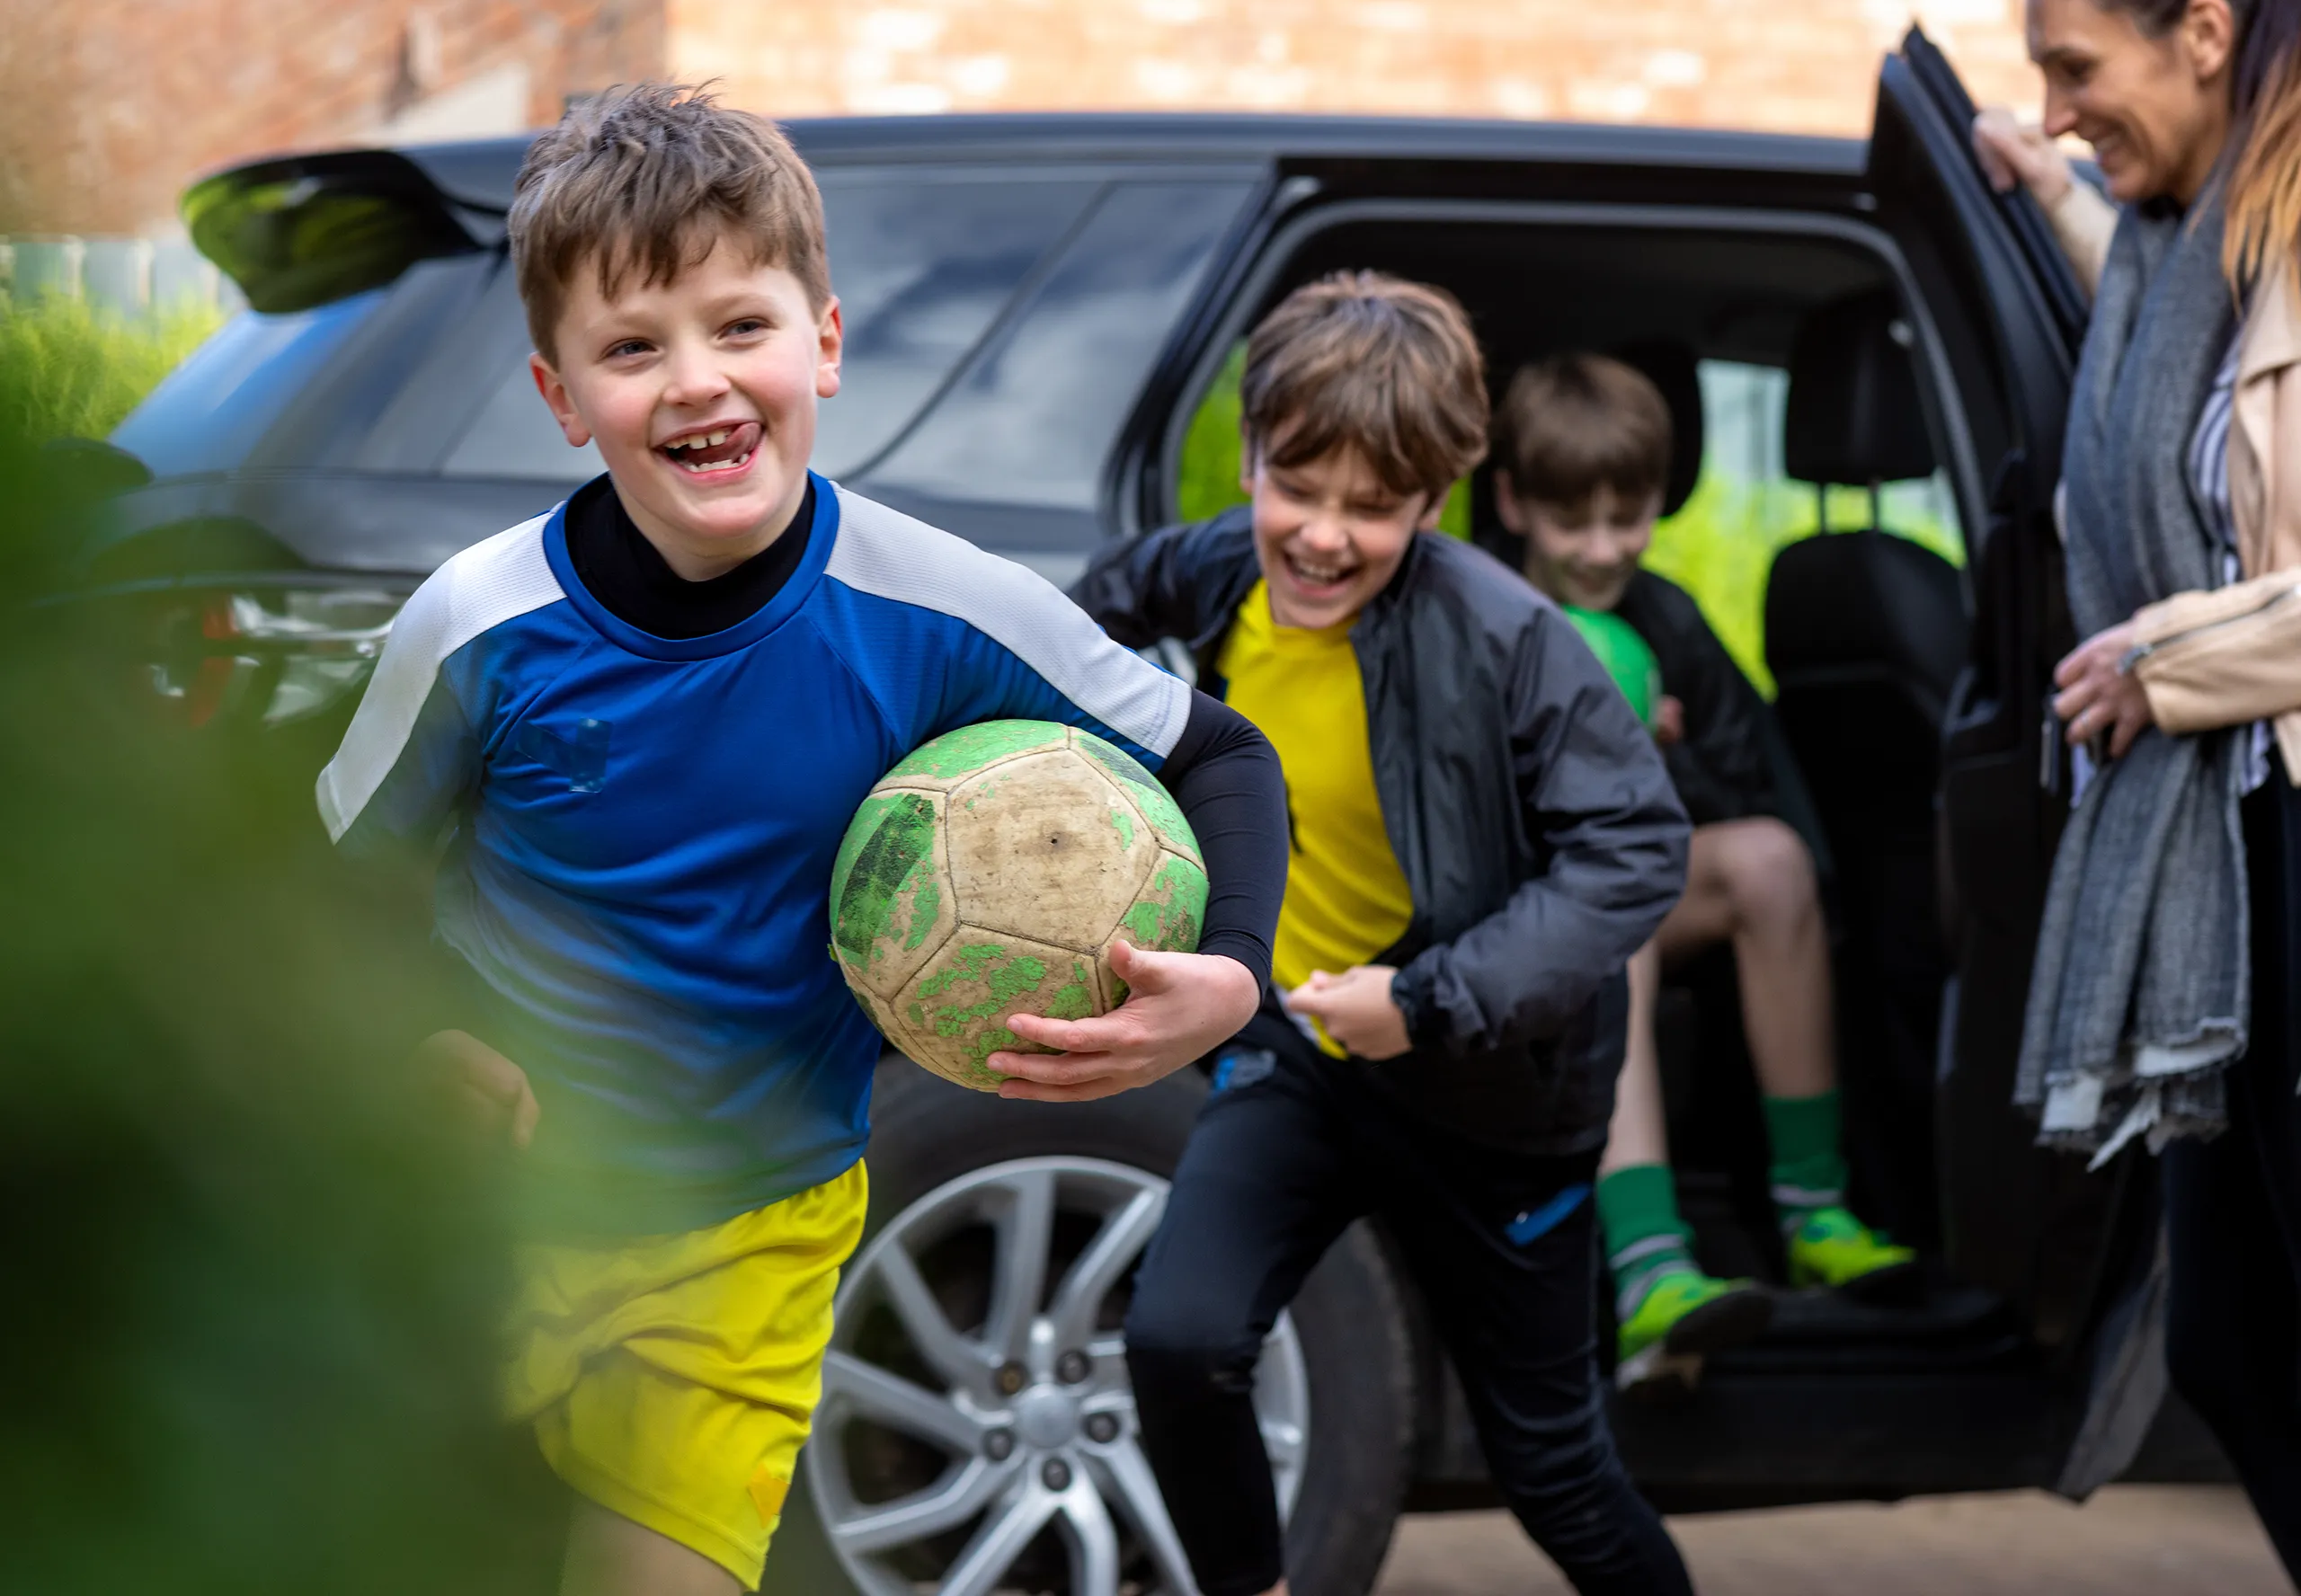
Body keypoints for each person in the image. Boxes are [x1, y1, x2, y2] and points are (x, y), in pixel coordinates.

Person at [316, 84, 1291, 1596]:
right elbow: (314, 890)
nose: (697, 381)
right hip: (467, 1219)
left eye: (740, 326)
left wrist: (1232, 974)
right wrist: (421, 1032)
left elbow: (1218, 750)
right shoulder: (475, 626)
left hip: (750, 1237)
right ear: (562, 395)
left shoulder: (938, 605)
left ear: (824, 340)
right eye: (633, 348)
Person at [1074, 271, 1695, 1596]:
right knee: (1179, 1342)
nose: (1323, 537)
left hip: (1494, 1094)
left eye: (1377, 509)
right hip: (1303, 1054)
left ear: (1440, 498)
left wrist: (1427, 1001)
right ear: (1251, 456)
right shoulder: (1216, 569)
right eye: (1298, 488)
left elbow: (1636, 851)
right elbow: (1092, 620)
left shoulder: (1508, 639)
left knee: (1554, 1473)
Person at [1982, 0, 2301, 1578]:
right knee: (2234, 1346)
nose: (2056, 106)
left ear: (2206, 35)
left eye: (2073, 67)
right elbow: (2169, 383)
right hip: (2236, 839)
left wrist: (2157, 662)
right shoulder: (2200, 248)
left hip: (2280, 809)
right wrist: (2056, 187)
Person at [1493, 351, 1918, 1396]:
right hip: (1512, 907)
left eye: (1626, 519)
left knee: (1769, 864)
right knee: (1615, 909)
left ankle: (1811, 1209)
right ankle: (1647, 1268)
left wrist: (1665, 761)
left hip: (1632, 868)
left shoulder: (1666, 619)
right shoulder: (1476, 611)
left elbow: (1751, 787)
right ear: (1510, 502)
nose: (1602, 551)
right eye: (1571, 523)